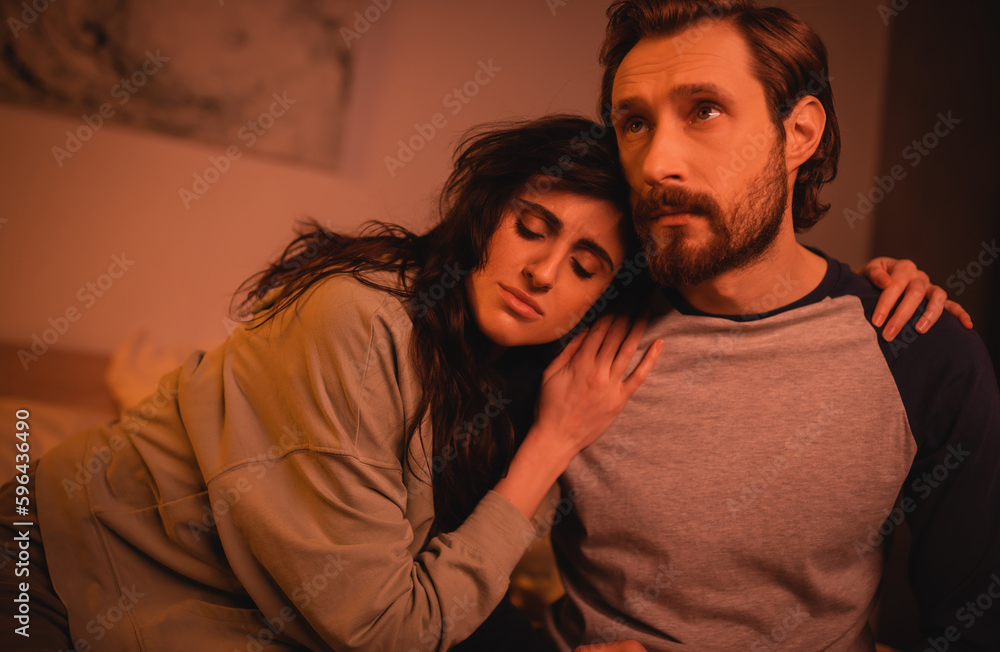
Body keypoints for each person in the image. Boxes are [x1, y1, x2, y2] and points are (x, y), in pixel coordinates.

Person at [0, 115, 963, 650]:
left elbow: (735, 282)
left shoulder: (510, 364)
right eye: (534, 226)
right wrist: (552, 445)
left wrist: (855, 288)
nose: (545, 272)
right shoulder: (357, 319)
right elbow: (384, 628)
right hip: (49, 580)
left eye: (587, 264)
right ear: (487, 214)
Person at [550, 0, 1000, 651]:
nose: (656, 164)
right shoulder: (567, 319)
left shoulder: (922, 349)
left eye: (704, 110)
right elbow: (419, 593)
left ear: (799, 133)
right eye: (634, 122)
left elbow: (972, 628)